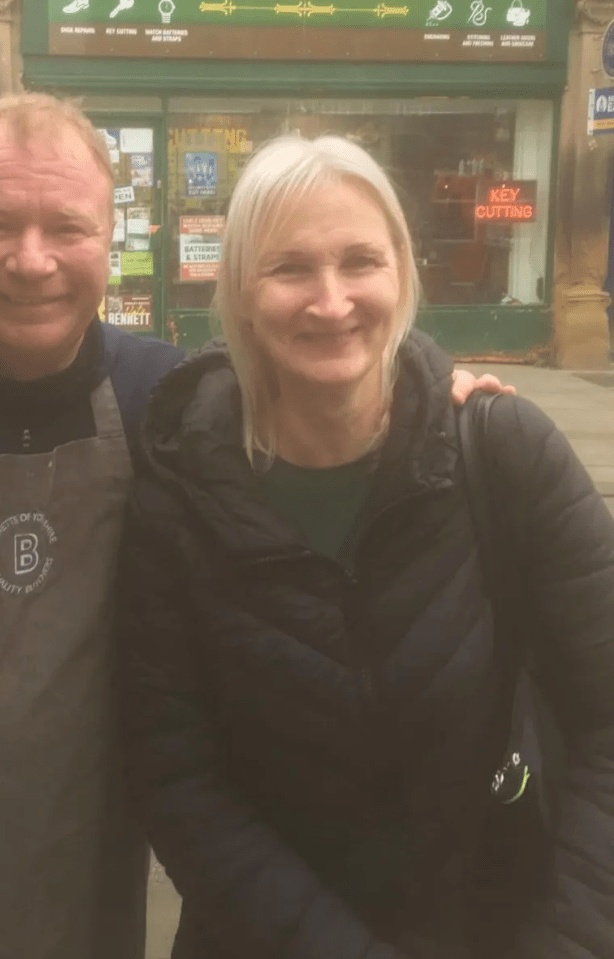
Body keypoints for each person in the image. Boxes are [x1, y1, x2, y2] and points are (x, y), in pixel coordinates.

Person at [0, 96, 503, 959]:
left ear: (110, 239)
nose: (32, 259)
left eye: (68, 227)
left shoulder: (168, 402)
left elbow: (319, 389)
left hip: (86, 921)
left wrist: (429, 393)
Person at [118, 134, 614, 959]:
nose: (331, 300)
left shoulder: (501, 452)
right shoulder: (176, 501)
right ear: (239, 292)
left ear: (402, 275)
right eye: (289, 269)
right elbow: (176, 782)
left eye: (359, 261)